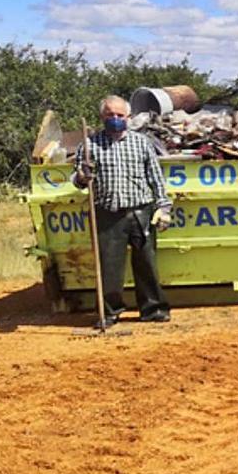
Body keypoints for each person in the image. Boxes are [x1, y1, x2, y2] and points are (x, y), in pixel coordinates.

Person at [72, 95, 173, 327]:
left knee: (147, 263)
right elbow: (77, 181)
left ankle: (153, 309)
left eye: (120, 115)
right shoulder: (89, 146)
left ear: (128, 117)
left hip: (141, 212)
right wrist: (81, 175)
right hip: (108, 214)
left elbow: (156, 179)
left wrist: (164, 207)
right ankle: (109, 312)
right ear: (102, 117)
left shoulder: (142, 143)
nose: (115, 119)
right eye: (110, 115)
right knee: (109, 267)